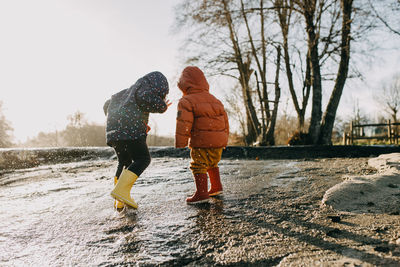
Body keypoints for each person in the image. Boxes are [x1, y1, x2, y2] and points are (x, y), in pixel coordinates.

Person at [104, 71, 171, 210]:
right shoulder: (143, 89)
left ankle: (119, 200)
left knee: (124, 162)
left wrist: (133, 124)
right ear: (157, 87)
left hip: (115, 134)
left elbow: (107, 105)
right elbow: (146, 98)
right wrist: (163, 105)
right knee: (143, 159)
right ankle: (121, 191)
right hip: (130, 133)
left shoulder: (126, 93)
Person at [175, 66, 229, 204]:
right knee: (212, 162)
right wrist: (224, 139)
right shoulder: (215, 100)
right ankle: (216, 187)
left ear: (184, 84)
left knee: (198, 165)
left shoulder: (186, 101)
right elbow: (225, 122)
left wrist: (181, 143)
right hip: (218, 142)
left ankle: (202, 193)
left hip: (201, 141)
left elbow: (184, 123)